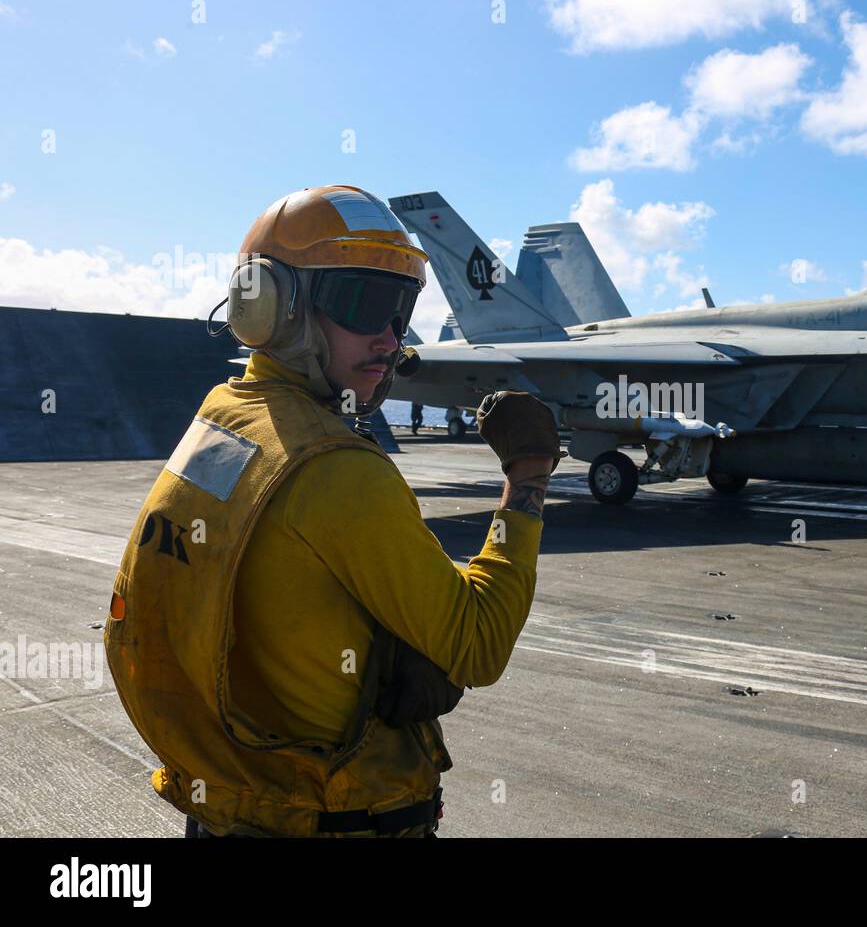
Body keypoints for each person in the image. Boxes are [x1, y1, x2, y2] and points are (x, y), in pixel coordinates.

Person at [104, 186, 563, 837]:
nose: (389, 336)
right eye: (363, 302)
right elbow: (477, 646)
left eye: (401, 310)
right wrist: (527, 475)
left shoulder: (223, 420)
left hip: (233, 803)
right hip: (333, 816)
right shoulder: (339, 470)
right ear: (271, 308)